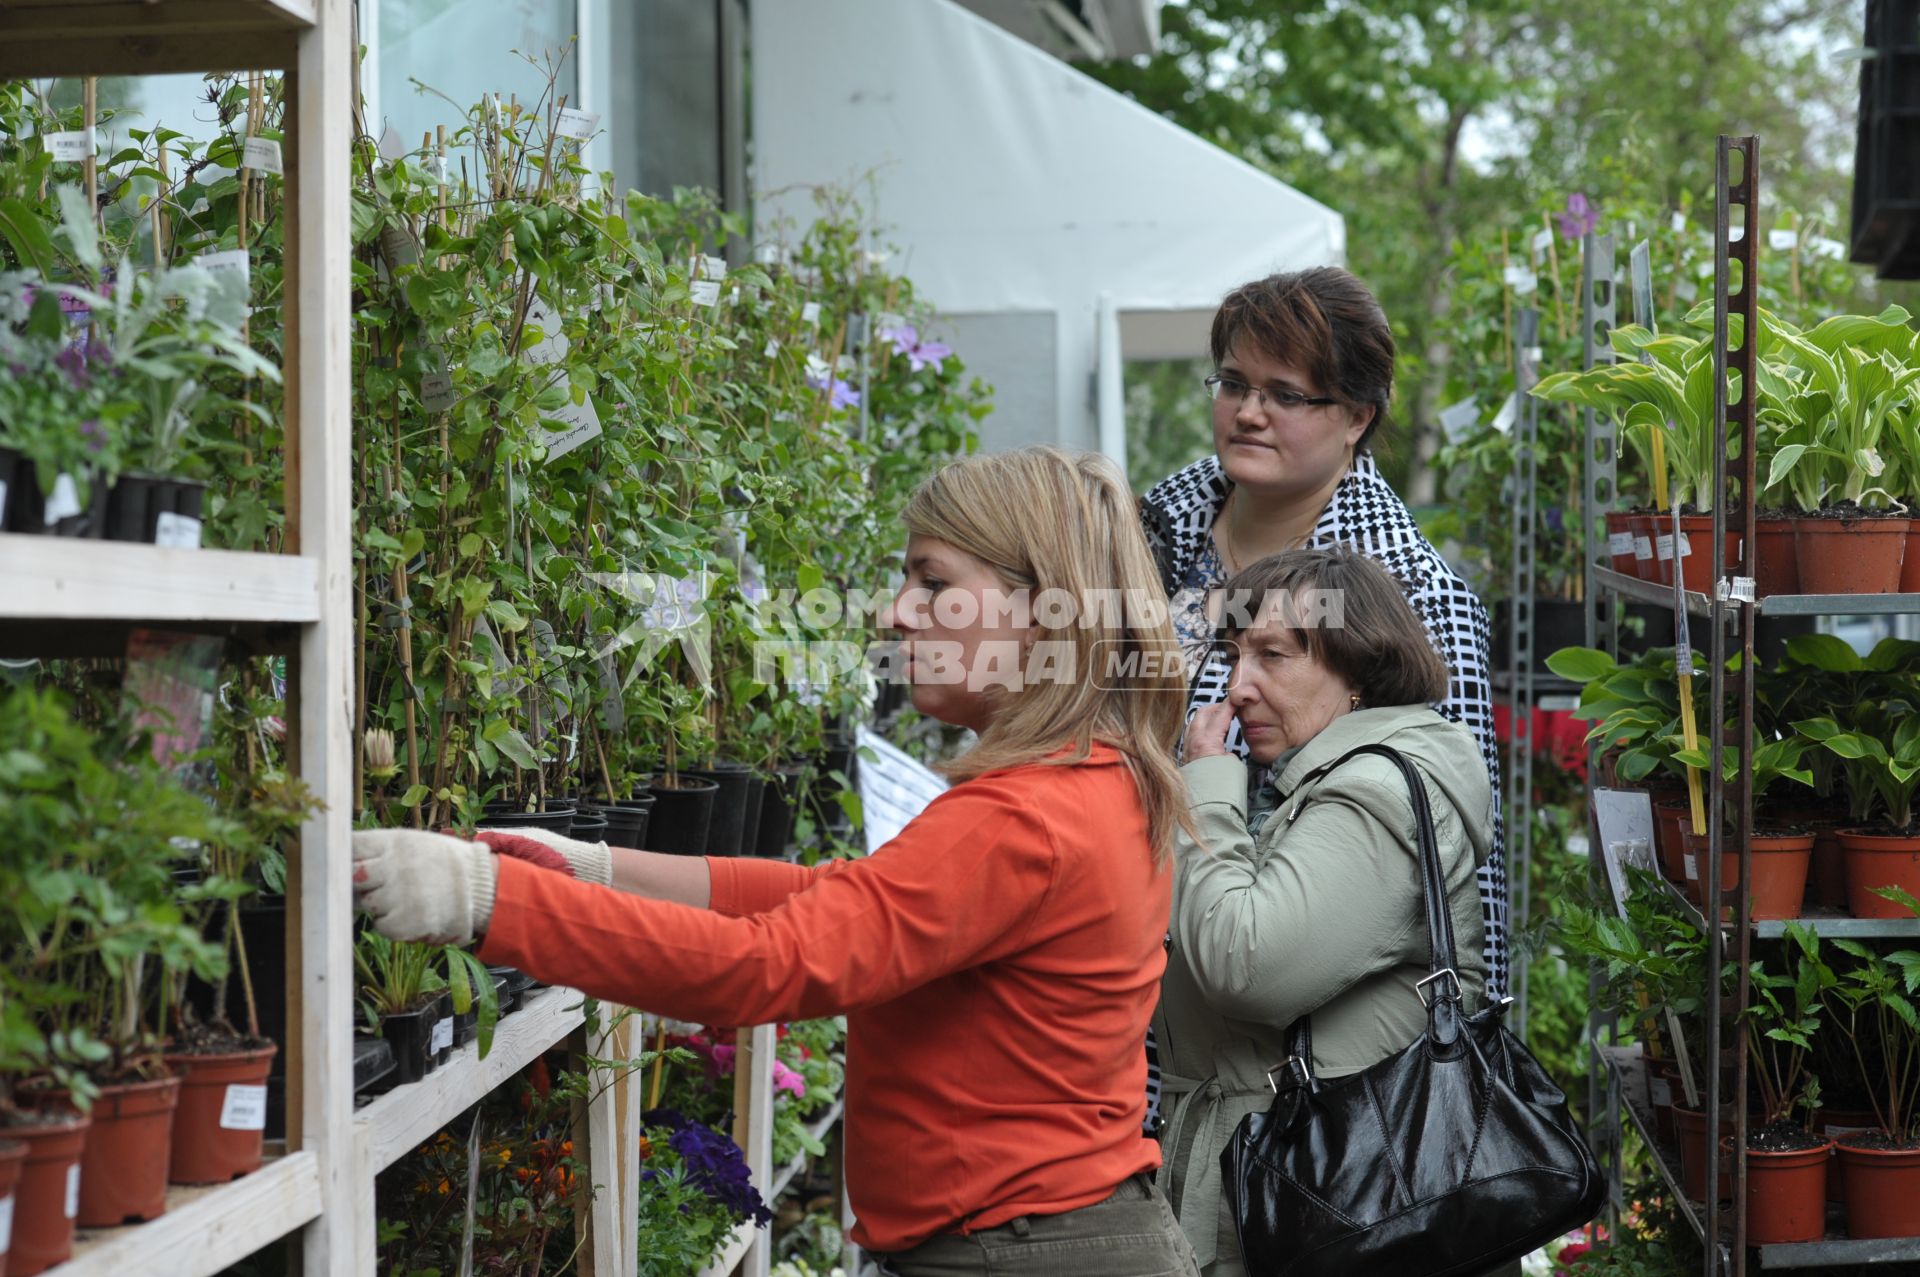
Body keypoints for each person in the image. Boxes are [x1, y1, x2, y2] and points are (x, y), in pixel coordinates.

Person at [350, 447, 1204, 1277]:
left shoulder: (1025, 816)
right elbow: (839, 899)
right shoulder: (1095, 777)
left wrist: (483, 896)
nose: (896, 610)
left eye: (934, 581)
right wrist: (600, 868)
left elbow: (770, 965)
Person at [1136, 266, 1507, 1013]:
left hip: (1289, 1053)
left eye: (1287, 394)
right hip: (1122, 989)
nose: (1249, 412)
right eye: (1234, 383)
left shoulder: (1412, 594)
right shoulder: (1148, 541)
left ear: (1357, 417)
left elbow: (1462, 864)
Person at [1153, 547, 1492, 1276]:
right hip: (1305, 1197)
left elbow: (1249, 964)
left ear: (1359, 673)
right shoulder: (1317, 783)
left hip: (1330, 1208)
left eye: (1272, 655)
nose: (1239, 686)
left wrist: (1206, 787)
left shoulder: (1375, 796)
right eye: (1235, 654)